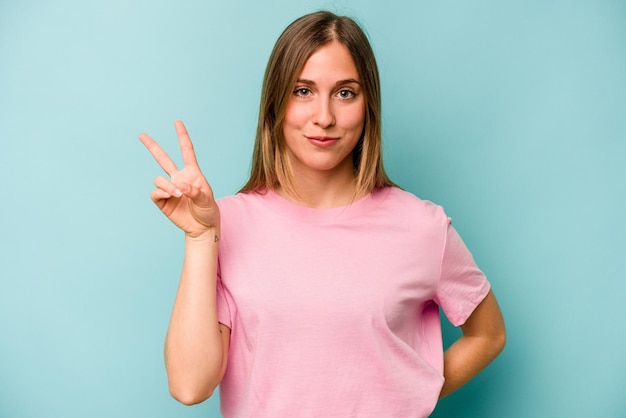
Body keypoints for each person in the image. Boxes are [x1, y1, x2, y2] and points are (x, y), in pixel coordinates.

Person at [139, 10, 505, 418]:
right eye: (303, 91)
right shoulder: (226, 224)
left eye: (345, 92)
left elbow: (488, 335)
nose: (325, 117)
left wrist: (408, 394)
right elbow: (190, 386)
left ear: (369, 106)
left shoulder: (422, 227)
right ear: (275, 103)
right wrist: (198, 237)